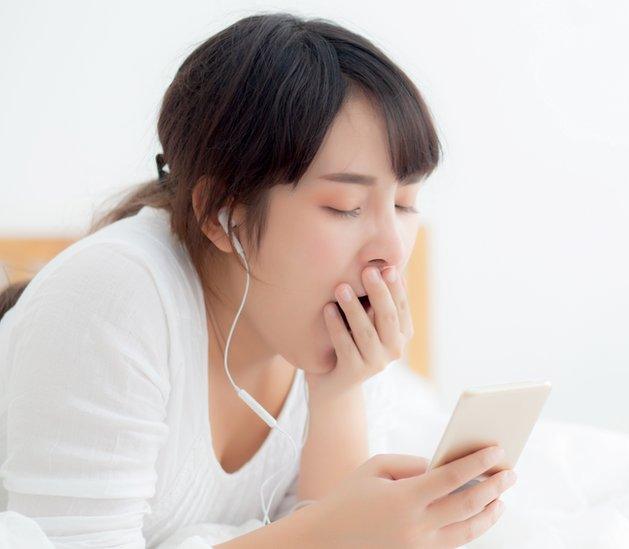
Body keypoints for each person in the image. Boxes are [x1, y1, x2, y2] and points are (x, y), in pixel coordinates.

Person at [0, 12, 514, 548]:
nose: (390, 252)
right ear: (223, 213)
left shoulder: (317, 328)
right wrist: (328, 533)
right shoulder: (111, 296)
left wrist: (337, 392)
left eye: (406, 203)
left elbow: (335, 528)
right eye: (346, 206)